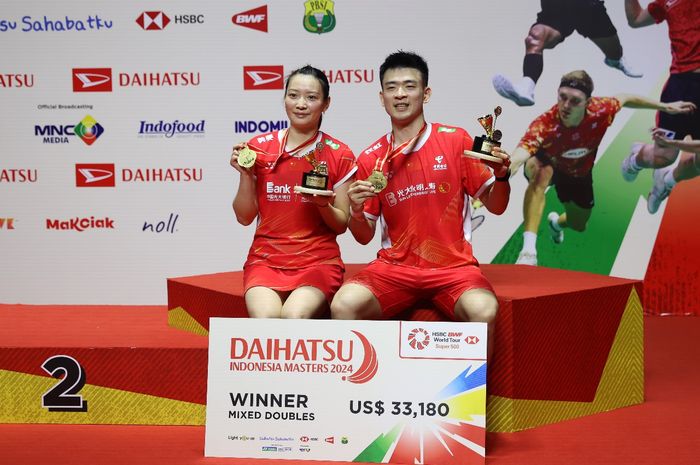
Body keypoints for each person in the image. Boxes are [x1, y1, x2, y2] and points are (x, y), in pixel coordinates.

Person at [330, 51, 511, 351]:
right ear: (381, 97)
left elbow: (497, 205)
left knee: (484, 310)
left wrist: (502, 177)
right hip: (394, 269)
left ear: (425, 94)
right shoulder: (371, 157)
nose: (400, 94)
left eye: (409, 86)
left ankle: (472, 396)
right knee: (344, 306)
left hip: (453, 269)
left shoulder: (456, 140)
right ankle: (365, 388)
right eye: (391, 87)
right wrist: (357, 211)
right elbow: (363, 237)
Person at [509, 70, 695, 265]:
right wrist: (508, 167)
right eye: (562, 97)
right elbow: (521, 153)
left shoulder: (601, 110)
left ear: (588, 103)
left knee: (578, 224)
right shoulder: (544, 124)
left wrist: (665, 106)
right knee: (539, 171)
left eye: (575, 101)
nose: (565, 106)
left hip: (578, 174)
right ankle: (528, 252)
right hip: (548, 161)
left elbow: (625, 98)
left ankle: (556, 224)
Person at [230, 65, 356, 318]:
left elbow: (342, 223)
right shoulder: (259, 148)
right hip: (266, 259)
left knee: (293, 316)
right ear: (285, 98)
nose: (301, 104)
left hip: (317, 261)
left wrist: (322, 204)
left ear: (326, 103)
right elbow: (244, 217)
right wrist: (246, 175)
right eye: (293, 95)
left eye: (311, 97)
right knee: (266, 319)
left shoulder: (339, 154)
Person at [619, 0, 699, 213]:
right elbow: (635, 20)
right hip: (681, 87)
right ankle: (635, 160)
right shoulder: (666, 2)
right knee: (663, 157)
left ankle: (666, 183)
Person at [492, 0, 642, 107]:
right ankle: (526, 88)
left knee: (614, 52)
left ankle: (615, 60)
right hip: (557, 9)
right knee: (535, 37)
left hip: (589, 9)